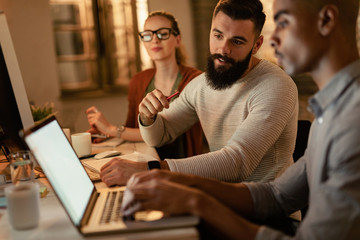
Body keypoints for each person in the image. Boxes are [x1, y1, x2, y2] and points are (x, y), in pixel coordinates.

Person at [121, 0, 360, 239]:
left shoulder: (349, 120)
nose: (275, 39)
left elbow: (238, 163)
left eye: (284, 22)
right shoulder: (329, 111)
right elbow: (277, 194)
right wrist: (182, 186)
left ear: (326, 21)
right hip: (248, 205)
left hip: (273, 222)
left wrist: (166, 177)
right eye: (217, 35)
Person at [99, 0, 298, 186]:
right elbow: (160, 134)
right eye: (218, 35)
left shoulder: (276, 86)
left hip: (269, 214)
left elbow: (238, 162)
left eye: (237, 41)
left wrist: (151, 170)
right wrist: (147, 116)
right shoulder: (202, 84)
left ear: (257, 44)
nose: (223, 49)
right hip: (221, 201)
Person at [86, 11, 204, 160]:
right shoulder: (138, 80)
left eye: (162, 33)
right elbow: (132, 128)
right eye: (148, 35)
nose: (155, 40)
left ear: (178, 39)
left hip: (183, 166)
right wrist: (105, 135)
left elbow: (165, 128)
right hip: (146, 160)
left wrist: (111, 129)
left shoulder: (194, 80)